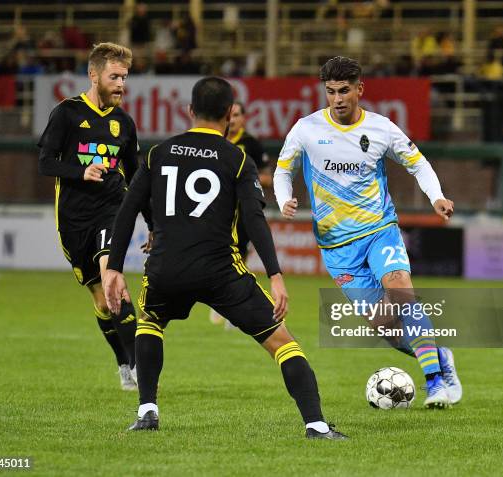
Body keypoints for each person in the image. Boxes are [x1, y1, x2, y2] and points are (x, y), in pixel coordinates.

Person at [103, 76, 347, 439]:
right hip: (221, 271)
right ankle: (315, 424)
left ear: (189, 111)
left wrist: (113, 268)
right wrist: (276, 276)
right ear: (230, 115)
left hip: (166, 267)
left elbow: (127, 211)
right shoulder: (237, 159)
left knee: (150, 322)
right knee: (283, 343)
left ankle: (147, 412)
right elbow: (254, 219)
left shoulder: (158, 153)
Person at [273, 56, 462, 408]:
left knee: (401, 290)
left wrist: (436, 197)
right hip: (337, 247)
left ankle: (435, 382)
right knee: (388, 328)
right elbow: (283, 171)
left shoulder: (382, 128)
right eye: (330, 92)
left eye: (344, 91)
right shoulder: (305, 129)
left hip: (379, 230)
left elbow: (417, 163)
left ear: (360, 89)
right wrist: (284, 199)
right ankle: (440, 355)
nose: (337, 99)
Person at [38, 42, 150, 391]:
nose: (120, 84)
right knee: (103, 301)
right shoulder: (67, 113)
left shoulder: (124, 123)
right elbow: (45, 162)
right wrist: (79, 172)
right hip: (73, 220)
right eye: (114, 76)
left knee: (114, 279)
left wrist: (154, 223)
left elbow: (136, 178)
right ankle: (123, 362)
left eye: (124, 78)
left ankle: (141, 369)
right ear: (94, 75)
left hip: (111, 211)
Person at [210, 101, 271, 327]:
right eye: (229, 115)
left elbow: (267, 178)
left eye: (236, 115)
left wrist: (244, 179)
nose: (232, 119)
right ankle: (221, 301)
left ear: (244, 118)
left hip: (242, 211)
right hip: (216, 210)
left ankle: (231, 310)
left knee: (238, 258)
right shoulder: (216, 142)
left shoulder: (251, 145)